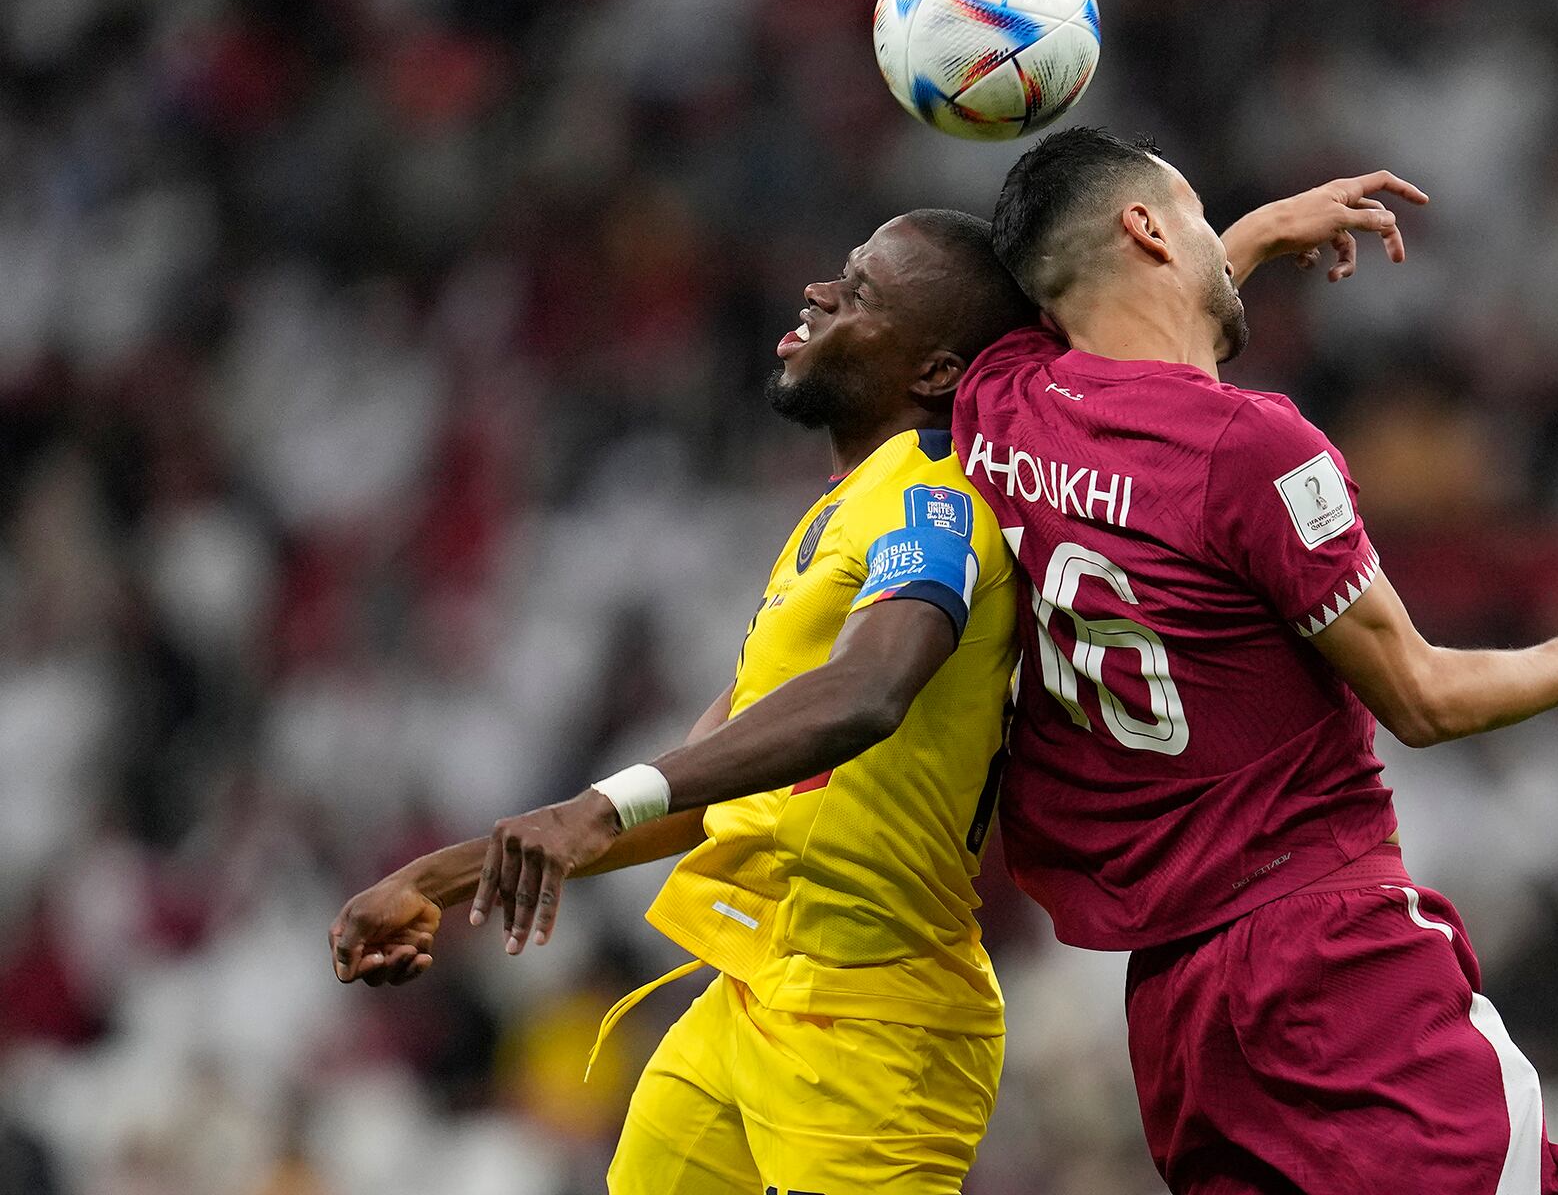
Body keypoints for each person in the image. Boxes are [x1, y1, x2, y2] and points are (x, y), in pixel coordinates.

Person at [953, 126, 1558, 1195]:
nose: (1218, 237)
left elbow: (1120, 361)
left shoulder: (999, 407)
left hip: (1178, 1008)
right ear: (1148, 230)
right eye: (1196, 216)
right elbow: (1422, 696)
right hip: (1333, 964)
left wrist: (1249, 238)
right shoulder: (1255, 450)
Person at [326, 209, 1037, 1195]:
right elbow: (701, 786)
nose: (820, 294)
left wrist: (593, 809)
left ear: (935, 371)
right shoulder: (842, 514)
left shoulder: (935, 502)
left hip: (873, 1025)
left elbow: (871, 690)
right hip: (750, 998)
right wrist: (434, 879)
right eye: (838, 274)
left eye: (862, 292)